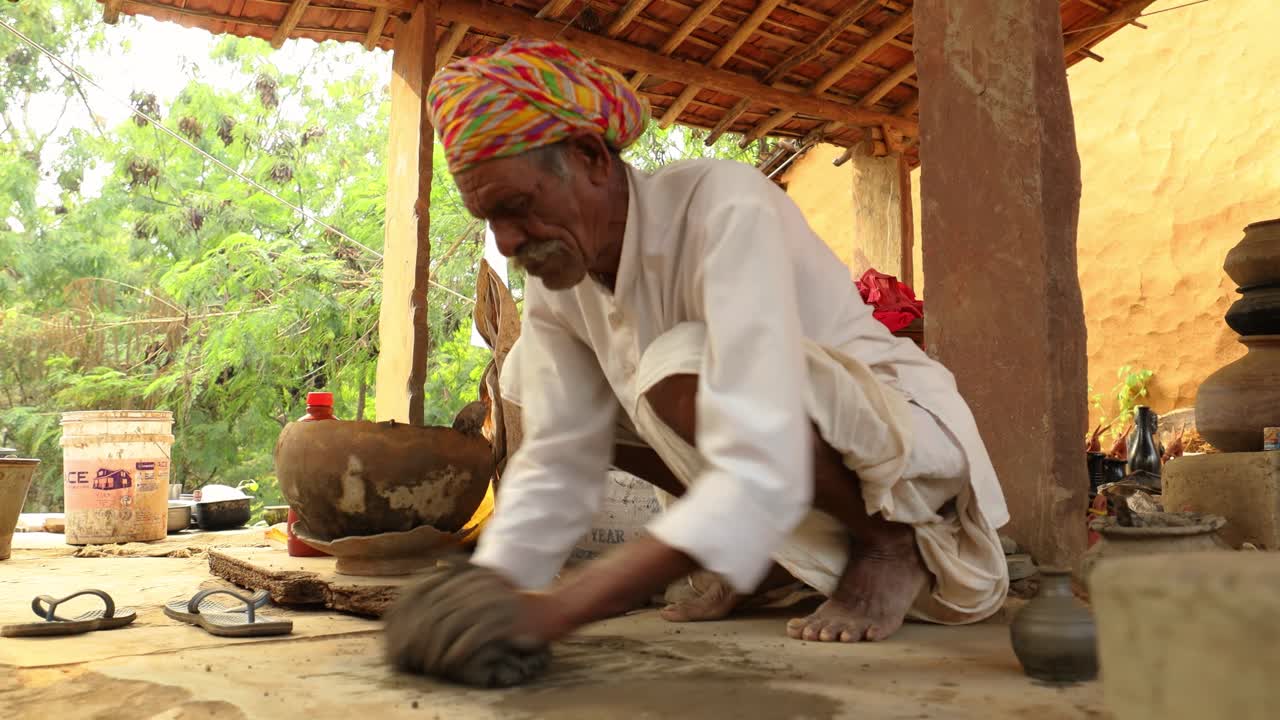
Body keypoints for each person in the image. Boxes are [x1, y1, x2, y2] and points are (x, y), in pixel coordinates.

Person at [427, 39, 1009, 645]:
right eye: (489, 221)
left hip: (899, 440)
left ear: (590, 157)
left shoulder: (723, 205)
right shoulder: (560, 285)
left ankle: (886, 543)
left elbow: (762, 455)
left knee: (673, 366)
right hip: (779, 452)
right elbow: (558, 457)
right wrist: (493, 589)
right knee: (553, 388)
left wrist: (563, 610)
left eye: (517, 207)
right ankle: (757, 560)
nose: (510, 239)